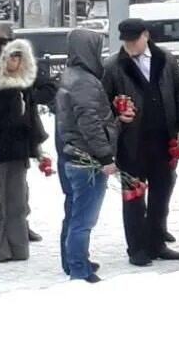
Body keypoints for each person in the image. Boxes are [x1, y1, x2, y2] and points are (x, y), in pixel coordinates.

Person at [101, 19, 179, 266]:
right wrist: (117, 117)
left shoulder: (165, 59)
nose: (130, 45)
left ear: (146, 36)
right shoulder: (113, 66)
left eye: (134, 40)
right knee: (134, 198)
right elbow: (103, 105)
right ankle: (137, 248)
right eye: (126, 41)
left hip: (164, 140)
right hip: (132, 142)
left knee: (161, 194)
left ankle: (156, 242)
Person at [57, 29, 124, 283]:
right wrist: (106, 156)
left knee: (76, 214)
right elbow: (89, 122)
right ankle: (78, 269)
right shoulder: (84, 80)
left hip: (76, 154)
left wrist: (115, 122)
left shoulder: (72, 75)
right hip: (87, 160)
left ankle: (77, 260)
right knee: (83, 220)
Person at [0, 37, 47, 263]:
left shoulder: (23, 83)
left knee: (18, 203)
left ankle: (19, 248)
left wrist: (34, 145)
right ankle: (1, 250)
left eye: (19, 56)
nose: (16, 61)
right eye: (11, 56)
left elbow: (34, 110)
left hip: (19, 150)